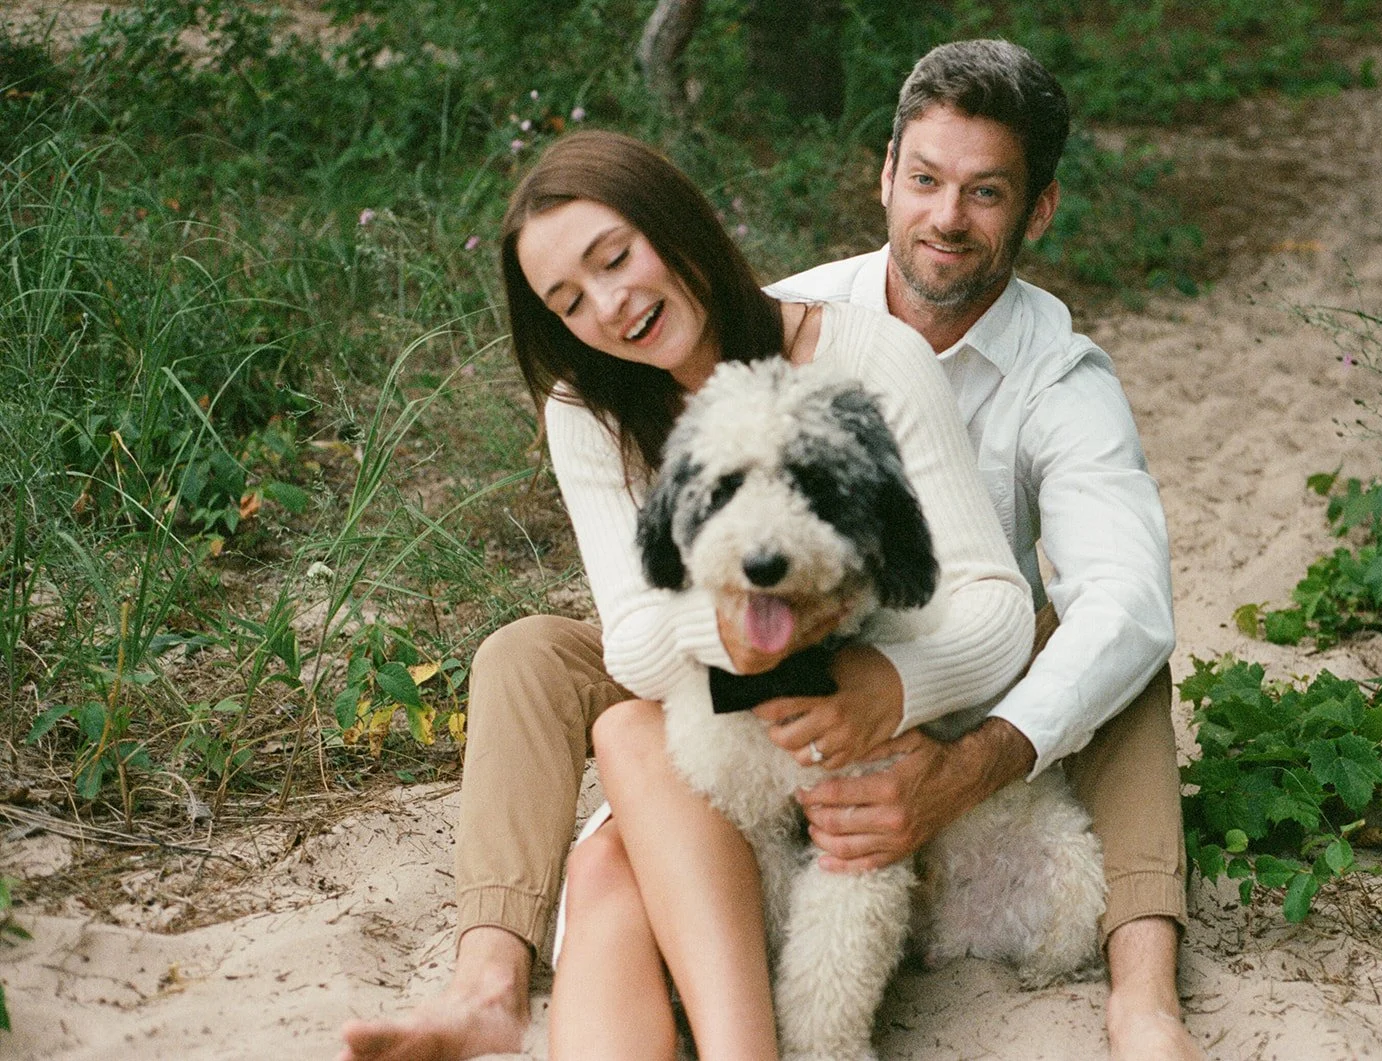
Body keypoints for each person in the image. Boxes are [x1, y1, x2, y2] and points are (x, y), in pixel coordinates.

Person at [339, 36, 1206, 1061]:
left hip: (918, 655)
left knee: (1113, 651)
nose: (608, 305)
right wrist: (736, 636)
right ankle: (488, 983)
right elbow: (636, 636)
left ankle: (1142, 995)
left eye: (616, 259)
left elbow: (1013, 604)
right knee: (534, 659)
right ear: (885, 177)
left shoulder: (901, 355)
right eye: (567, 300)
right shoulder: (594, 398)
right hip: (713, 674)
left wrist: (887, 691)